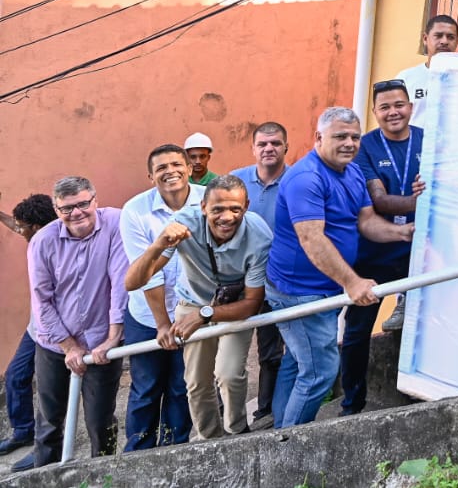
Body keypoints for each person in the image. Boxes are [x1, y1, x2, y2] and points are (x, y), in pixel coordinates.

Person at [266, 107, 414, 428]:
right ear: (318, 137)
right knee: (320, 371)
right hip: (298, 292)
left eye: (355, 137)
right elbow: (312, 239)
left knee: (297, 361)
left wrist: (401, 232)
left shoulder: (351, 171)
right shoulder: (307, 178)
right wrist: (352, 282)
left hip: (323, 287)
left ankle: (279, 429)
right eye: (340, 136)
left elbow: (366, 220)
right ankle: (287, 445)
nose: (349, 143)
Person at [123, 174, 270, 440]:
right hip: (191, 301)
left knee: (229, 374)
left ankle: (237, 431)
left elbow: (252, 303)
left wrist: (205, 315)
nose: (226, 217)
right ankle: (209, 439)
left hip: (233, 306)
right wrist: (158, 245)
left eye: (235, 209)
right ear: (203, 207)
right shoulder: (184, 223)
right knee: (196, 382)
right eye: (217, 209)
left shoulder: (259, 235)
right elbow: (132, 282)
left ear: (246, 206)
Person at [26, 177, 127, 469]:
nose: (77, 213)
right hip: (54, 344)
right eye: (66, 208)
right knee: (49, 420)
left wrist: (112, 338)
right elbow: (40, 300)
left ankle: (105, 477)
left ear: (95, 200)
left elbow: (120, 283)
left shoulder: (115, 223)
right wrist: (68, 346)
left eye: (83, 204)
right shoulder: (42, 241)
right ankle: (44, 476)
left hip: (101, 340)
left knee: (100, 420)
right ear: (57, 210)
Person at [340, 82, 424, 416]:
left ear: (410, 107)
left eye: (399, 105)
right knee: (359, 330)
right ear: (375, 112)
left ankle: (421, 391)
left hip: (419, 252)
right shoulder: (365, 147)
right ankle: (352, 403)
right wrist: (419, 200)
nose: (393, 112)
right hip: (373, 252)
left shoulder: (427, 139)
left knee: (426, 323)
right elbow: (378, 200)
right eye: (385, 107)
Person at [119, 144, 204, 450]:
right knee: (145, 389)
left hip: (192, 313)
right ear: (150, 177)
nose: (170, 172)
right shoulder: (135, 210)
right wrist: (162, 325)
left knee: (184, 387)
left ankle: (174, 450)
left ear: (189, 168)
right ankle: (137, 455)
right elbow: (147, 272)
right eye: (161, 168)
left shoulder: (206, 202)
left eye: (176, 164)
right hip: (147, 316)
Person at [229, 121, 288, 425]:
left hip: (277, 281)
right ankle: (231, 417)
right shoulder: (235, 182)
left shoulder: (296, 181)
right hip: (236, 282)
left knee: (271, 351)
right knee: (228, 357)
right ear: (253, 148)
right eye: (262, 144)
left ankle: (265, 410)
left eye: (275, 143)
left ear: (285, 147)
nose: (269, 149)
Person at [0, 194, 57, 458]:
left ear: (36, 226)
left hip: (60, 331)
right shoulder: (35, 237)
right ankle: (23, 431)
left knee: (52, 388)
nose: (18, 230)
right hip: (37, 327)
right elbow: (15, 225)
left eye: (23, 226)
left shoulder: (60, 244)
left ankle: (48, 447)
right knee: (15, 375)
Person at [394, 14, 458, 129]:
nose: (444, 41)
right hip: (413, 145)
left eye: (450, 37)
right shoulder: (406, 78)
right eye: (438, 36)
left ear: (457, 41)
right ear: (425, 39)